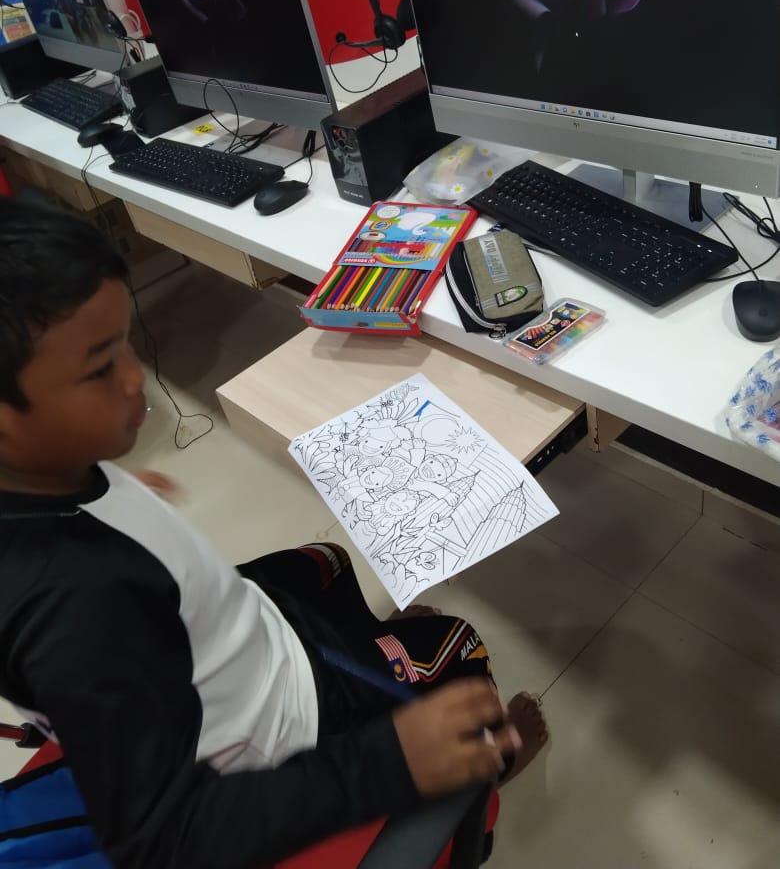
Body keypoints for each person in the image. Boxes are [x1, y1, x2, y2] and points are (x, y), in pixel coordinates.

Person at [0, 197, 548, 868]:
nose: (136, 377)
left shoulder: (36, 485)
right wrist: (389, 761)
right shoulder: (83, 612)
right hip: (287, 718)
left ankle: (372, 644)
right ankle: (489, 770)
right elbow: (167, 842)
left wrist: (98, 488)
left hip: (230, 633)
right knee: (458, 649)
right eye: (100, 367)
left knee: (328, 563)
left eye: (125, 345)